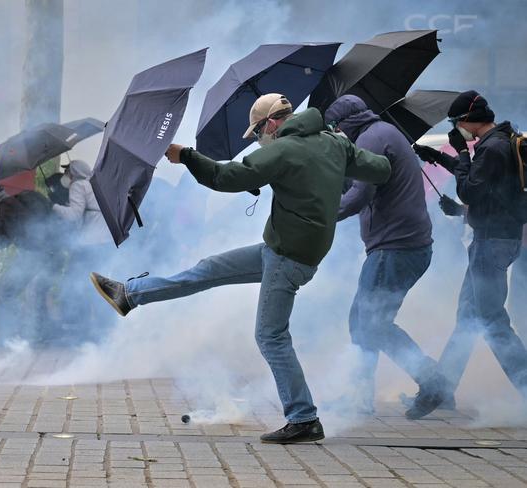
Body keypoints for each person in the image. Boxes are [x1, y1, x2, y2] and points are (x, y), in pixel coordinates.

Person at [89, 93, 391, 444]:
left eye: (258, 131)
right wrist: (339, 152)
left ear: (272, 123)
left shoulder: (282, 150)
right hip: (282, 249)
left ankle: (304, 417)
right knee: (208, 270)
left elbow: (224, 177)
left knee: (271, 336)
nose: (259, 138)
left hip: (289, 257)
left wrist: (185, 155)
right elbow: (381, 169)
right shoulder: (333, 143)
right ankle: (130, 294)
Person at [324, 95, 445, 420]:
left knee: (372, 323)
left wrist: (318, 215)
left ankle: (432, 381)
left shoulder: (372, 140)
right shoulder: (381, 133)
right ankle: (359, 397)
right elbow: (363, 185)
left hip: (395, 246)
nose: (336, 134)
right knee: (362, 321)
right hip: (404, 245)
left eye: (334, 128)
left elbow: (361, 195)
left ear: (344, 123)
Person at [412, 90, 527, 408]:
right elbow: (485, 186)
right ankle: (440, 391)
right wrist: (439, 158)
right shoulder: (503, 141)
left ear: (467, 121)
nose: (455, 129)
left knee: (491, 321)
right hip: (497, 239)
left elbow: (470, 190)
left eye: (455, 123)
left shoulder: (492, 148)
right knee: (467, 317)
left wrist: (462, 154)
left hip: (491, 243)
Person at [0, 182, 61, 342]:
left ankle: (7, 334)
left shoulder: (7, 206)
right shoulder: (14, 204)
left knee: (8, 292)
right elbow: (4, 237)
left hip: (34, 254)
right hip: (44, 252)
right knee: (36, 292)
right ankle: (41, 333)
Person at [52, 160, 114, 340]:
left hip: (89, 244)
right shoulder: (97, 183)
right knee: (102, 286)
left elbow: (74, 215)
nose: (66, 176)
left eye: (67, 172)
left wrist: (54, 206)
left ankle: (84, 332)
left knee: (79, 287)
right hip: (106, 243)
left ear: (74, 173)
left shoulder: (78, 185)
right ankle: (106, 329)